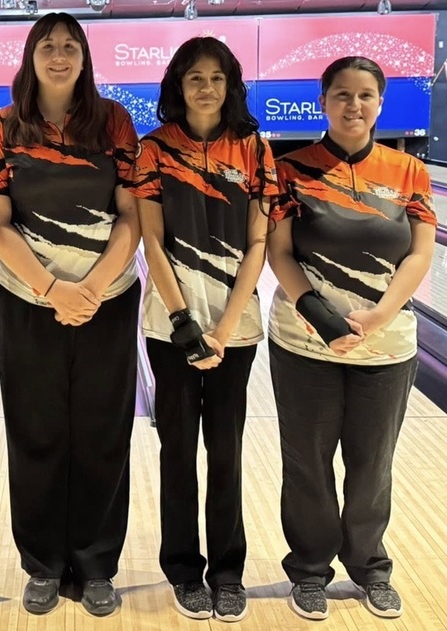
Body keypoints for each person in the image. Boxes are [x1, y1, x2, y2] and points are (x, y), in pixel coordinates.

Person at [0, 11, 141, 618]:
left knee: (101, 432)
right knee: (37, 430)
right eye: (49, 45)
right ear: (31, 54)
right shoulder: (1, 130)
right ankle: (42, 563)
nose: (60, 55)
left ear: (85, 55)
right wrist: (51, 289)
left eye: (71, 45)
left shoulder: (114, 123)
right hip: (27, 300)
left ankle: (96, 564)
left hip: (109, 299)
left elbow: (131, 214)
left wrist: (91, 288)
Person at [266, 56, 436, 621]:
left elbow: (420, 250)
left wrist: (384, 314)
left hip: (386, 345)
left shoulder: (407, 171)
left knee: (372, 462)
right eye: (342, 94)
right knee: (308, 461)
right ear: (323, 100)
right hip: (304, 341)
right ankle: (311, 570)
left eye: (365, 95)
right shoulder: (291, 168)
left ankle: (370, 567)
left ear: (381, 103)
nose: (354, 105)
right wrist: (319, 314)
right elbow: (280, 251)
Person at [130, 37, 277, 623]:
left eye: (217, 77)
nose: (206, 87)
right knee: (177, 453)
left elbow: (259, 241)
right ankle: (184, 570)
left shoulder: (256, 149)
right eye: (195, 77)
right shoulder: (154, 150)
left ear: (231, 84)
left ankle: (229, 572)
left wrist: (226, 321)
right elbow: (151, 240)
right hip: (170, 329)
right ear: (178, 84)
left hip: (234, 333)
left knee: (227, 451)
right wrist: (183, 319)